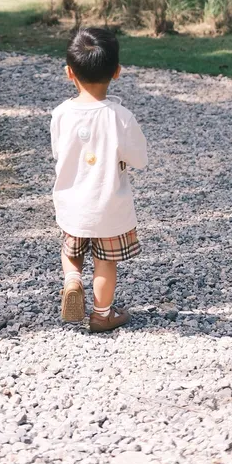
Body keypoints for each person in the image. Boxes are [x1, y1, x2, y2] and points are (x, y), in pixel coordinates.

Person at [50, 26, 148, 332]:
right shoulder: (120, 117)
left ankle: (72, 281)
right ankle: (102, 314)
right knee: (105, 262)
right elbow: (140, 159)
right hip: (109, 207)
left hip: (72, 203)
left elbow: (59, 153)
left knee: (72, 251)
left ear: (69, 73)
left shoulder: (61, 114)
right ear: (117, 72)